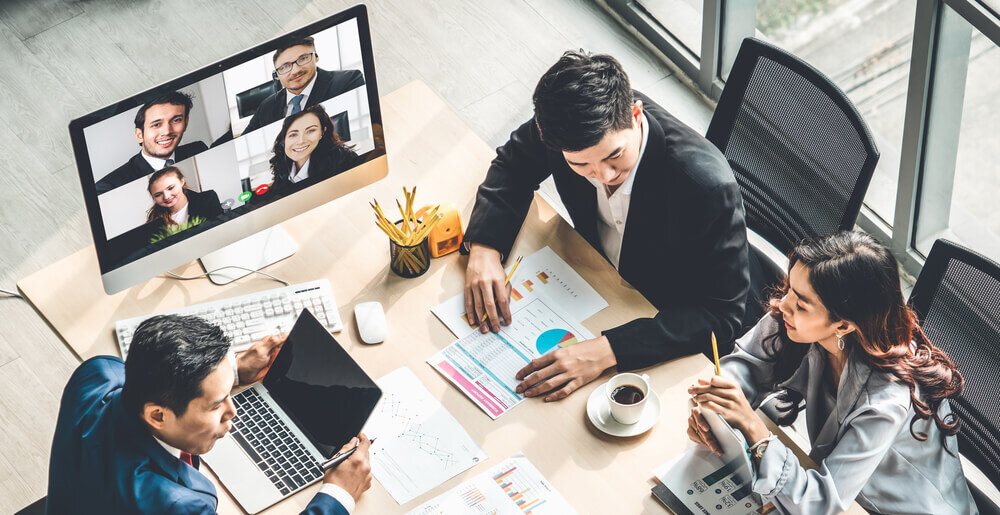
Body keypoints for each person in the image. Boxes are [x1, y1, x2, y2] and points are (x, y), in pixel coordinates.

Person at [464, 51, 749, 401]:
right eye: (581, 165)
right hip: (593, 282)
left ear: (635, 114)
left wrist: (608, 351)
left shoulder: (706, 186)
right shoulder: (568, 129)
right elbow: (513, 164)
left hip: (656, 314)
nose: (604, 175)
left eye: (614, 155)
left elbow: (722, 316)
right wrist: (485, 247)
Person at [686, 231, 976, 514]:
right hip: (844, 492)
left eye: (800, 303)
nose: (783, 304)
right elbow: (747, 365)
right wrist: (718, 408)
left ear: (843, 325)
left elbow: (822, 502)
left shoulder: (887, 400)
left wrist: (753, 428)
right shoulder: (798, 322)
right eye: (789, 288)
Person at [47, 315, 372, 514]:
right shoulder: (178, 505)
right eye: (217, 404)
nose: (233, 410)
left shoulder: (98, 372)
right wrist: (338, 494)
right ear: (158, 416)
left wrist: (233, 372)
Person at [240, 36, 365, 137]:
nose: (295, 71)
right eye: (285, 67)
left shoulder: (348, 81)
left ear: (316, 57)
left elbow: (361, 130)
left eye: (303, 58)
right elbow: (244, 141)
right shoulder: (266, 106)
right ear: (276, 75)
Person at [96, 91, 209, 194]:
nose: (167, 131)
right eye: (156, 124)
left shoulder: (198, 149)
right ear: (140, 135)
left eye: (176, 120)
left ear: (186, 122)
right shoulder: (108, 187)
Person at [254, 105, 359, 202]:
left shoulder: (343, 160)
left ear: (322, 132)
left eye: (310, 131)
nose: (301, 141)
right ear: (284, 139)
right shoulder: (283, 165)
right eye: (293, 134)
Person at [145, 166, 223, 236]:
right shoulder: (153, 218)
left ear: (182, 181)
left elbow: (221, 230)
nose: (166, 197)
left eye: (171, 188)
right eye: (158, 195)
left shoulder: (208, 199)